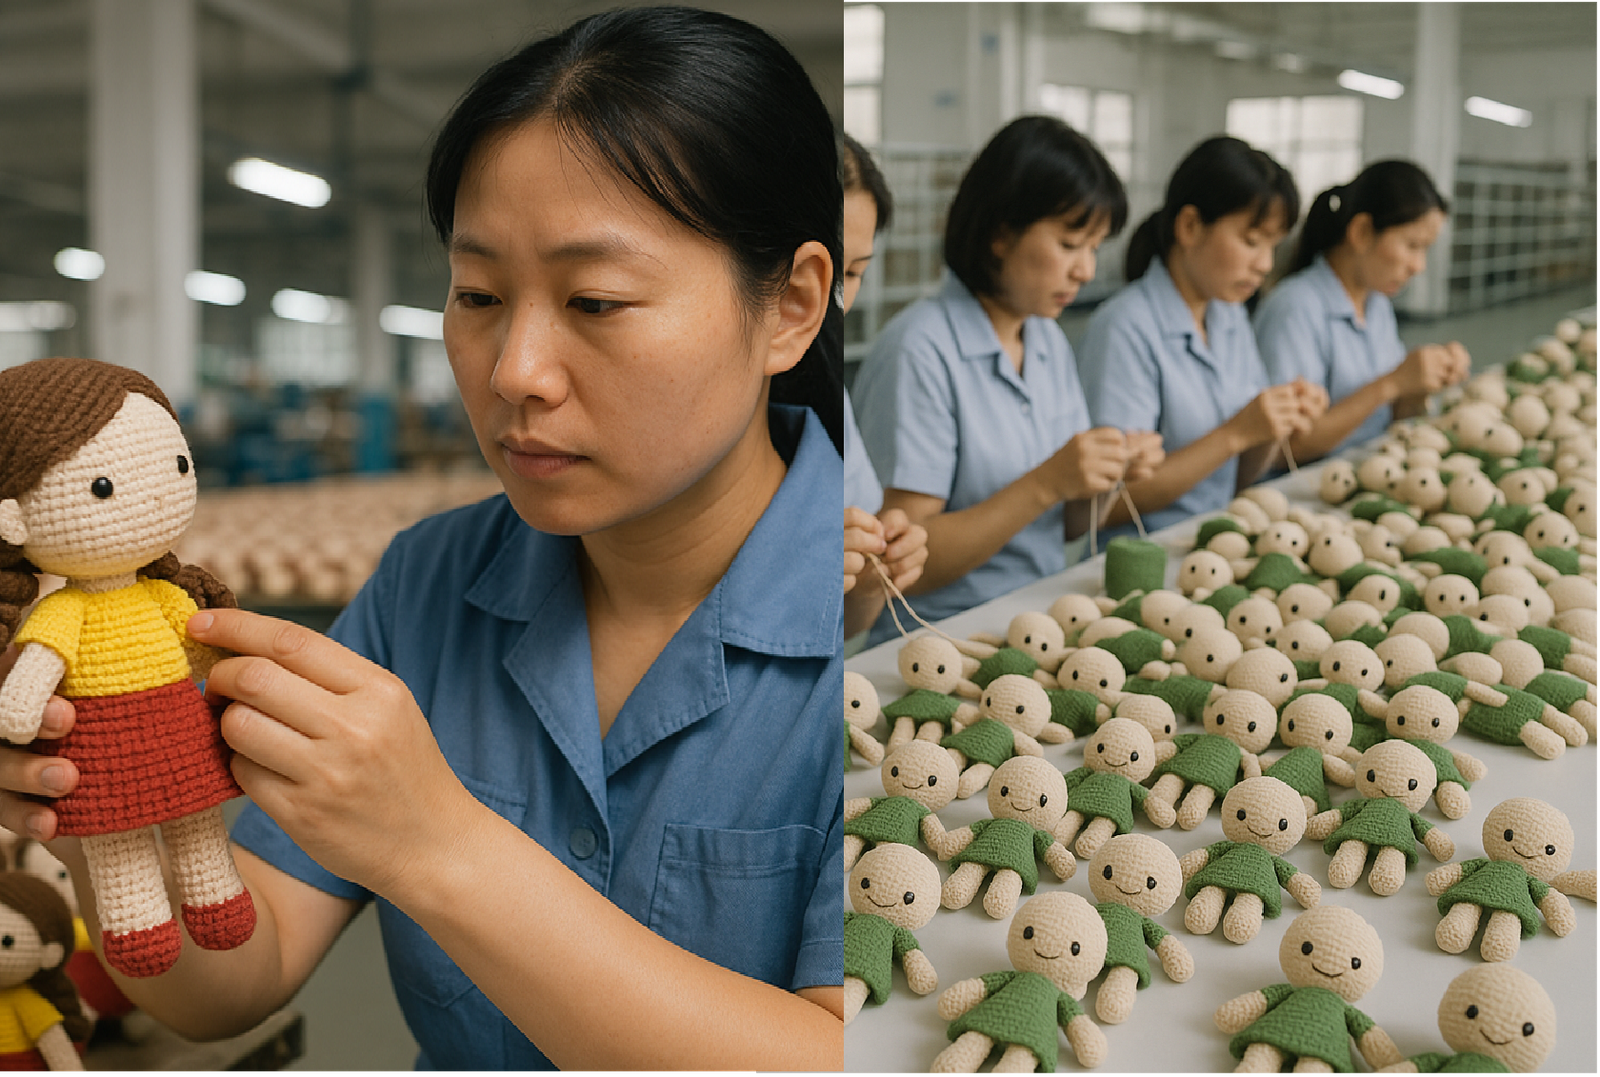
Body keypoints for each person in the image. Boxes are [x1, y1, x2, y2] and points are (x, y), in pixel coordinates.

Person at [0, 7, 843, 1072]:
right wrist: (98, 799)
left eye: (596, 299)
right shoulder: (430, 584)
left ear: (790, 306)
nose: (512, 372)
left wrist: (438, 846)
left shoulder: (893, 622)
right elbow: (228, 984)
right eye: (477, 295)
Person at [851, 116, 1163, 643]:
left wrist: (1112, 472)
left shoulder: (1045, 340)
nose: (1085, 270)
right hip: (939, 638)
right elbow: (900, 564)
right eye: (1069, 244)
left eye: (1094, 247)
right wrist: (1046, 483)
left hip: (1037, 615)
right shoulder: (920, 348)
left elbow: (1060, 525)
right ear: (1001, 234)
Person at [1077, 136, 1326, 535]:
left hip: (1217, 534)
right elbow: (1107, 506)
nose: (1264, 264)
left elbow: (1236, 476)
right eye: (1250, 241)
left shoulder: (1228, 316)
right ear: (1190, 226)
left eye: (1273, 246)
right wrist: (1235, 434)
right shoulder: (1125, 326)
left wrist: (1275, 425)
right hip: (1145, 556)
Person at [1254, 160, 1470, 460]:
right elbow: (1285, 448)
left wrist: (1420, 385)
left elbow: (1388, 416)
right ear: (1362, 232)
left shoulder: (1377, 304)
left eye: (1425, 250)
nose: (1418, 267)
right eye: (1411, 245)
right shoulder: (1295, 308)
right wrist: (1393, 383)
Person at [839, 133, 929, 639]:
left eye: (853, 273)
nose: (832, 300)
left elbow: (849, 626)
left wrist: (875, 578)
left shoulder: (825, 391)